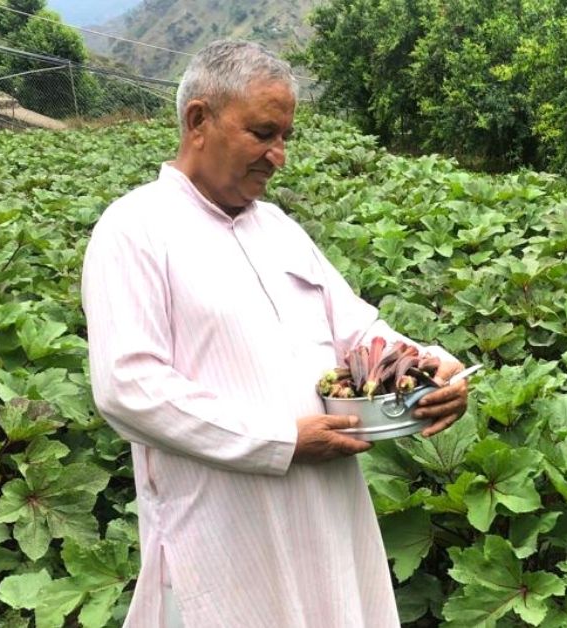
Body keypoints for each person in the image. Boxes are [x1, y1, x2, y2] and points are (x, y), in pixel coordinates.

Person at [80, 40, 469, 628]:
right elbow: (128, 386)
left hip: (329, 509)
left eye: (285, 136)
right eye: (263, 133)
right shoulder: (135, 229)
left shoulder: (281, 229)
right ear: (198, 121)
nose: (278, 155)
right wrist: (279, 440)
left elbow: (358, 331)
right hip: (226, 525)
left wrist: (428, 371)